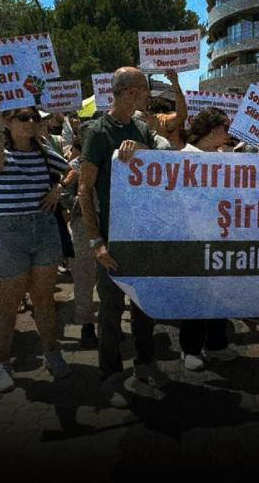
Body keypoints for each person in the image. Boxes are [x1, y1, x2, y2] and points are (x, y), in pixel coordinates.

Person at [79, 66, 173, 407]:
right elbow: (83, 190)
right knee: (111, 309)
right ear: (127, 92)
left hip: (142, 232)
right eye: (143, 90)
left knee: (144, 304)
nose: (147, 96)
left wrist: (143, 154)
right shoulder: (98, 132)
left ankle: (145, 365)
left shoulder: (140, 128)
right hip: (113, 235)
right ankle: (111, 375)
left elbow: (158, 170)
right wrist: (96, 241)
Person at [0, 101, 72, 393]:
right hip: (10, 235)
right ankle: (2, 364)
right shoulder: (0, 151)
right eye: (23, 117)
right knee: (7, 306)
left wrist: (58, 189)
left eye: (34, 117)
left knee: (44, 300)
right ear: (8, 122)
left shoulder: (44, 153)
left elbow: (73, 169)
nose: (31, 121)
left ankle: (51, 352)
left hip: (44, 231)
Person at [178, 108, 240, 371]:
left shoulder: (222, 157)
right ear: (214, 130)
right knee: (195, 295)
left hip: (221, 236)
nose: (228, 135)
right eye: (226, 129)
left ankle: (217, 344)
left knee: (219, 293)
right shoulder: (185, 157)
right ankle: (190, 349)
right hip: (194, 237)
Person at [63, 133, 100, 349]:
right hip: (82, 226)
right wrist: (83, 200)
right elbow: (64, 196)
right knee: (84, 276)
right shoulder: (73, 167)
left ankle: (107, 322)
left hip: (108, 222)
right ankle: (87, 324)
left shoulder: (112, 161)